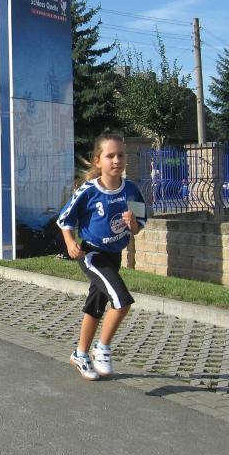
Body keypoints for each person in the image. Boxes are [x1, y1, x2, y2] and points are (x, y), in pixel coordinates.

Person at [57, 133, 147, 381]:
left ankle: (80, 354)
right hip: (92, 254)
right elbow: (64, 220)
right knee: (122, 301)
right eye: (110, 156)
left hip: (114, 255)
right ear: (98, 160)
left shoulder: (131, 190)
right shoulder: (88, 191)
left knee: (95, 306)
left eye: (121, 155)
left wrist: (132, 223)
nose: (116, 160)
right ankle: (102, 348)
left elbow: (137, 227)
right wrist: (70, 243)